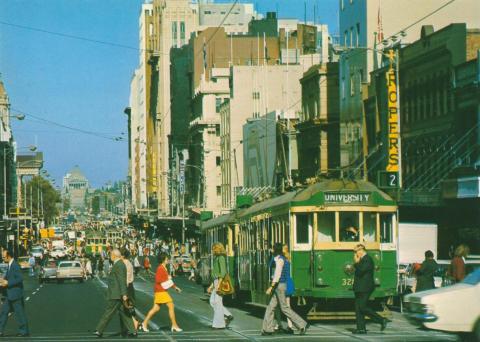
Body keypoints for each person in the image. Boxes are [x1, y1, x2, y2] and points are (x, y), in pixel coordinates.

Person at [261, 243, 307, 336]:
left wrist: (271, 287)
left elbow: (277, 275)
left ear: (275, 250)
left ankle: (301, 325)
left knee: (284, 308)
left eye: (273, 249)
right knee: (270, 307)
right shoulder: (278, 259)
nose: (271, 251)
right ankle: (267, 329)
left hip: (280, 286)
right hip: (278, 286)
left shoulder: (280, 260)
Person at [93, 249, 136, 338]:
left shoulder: (119, 265)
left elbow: (121, 280)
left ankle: (99, 330)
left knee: (109, 312)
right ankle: (133, 331)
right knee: (125, 313)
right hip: (118, 293)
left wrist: (124, 294)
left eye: (111, 254)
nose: (110, 256)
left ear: (114, 255)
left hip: (117, 294)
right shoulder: (118, 264)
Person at [141, 252, 182, 333]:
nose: (168, 260)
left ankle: (144, 323)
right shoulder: (160, 268)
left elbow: (167, 280)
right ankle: (174, 325)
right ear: (163, 260)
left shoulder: (164, 267)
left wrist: (174, 287)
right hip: (160, 291)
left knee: (156, 308)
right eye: (167, 259)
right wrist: (168, 279)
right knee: (171, 305)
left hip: (160, 290)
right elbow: (158, 280)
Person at [352, 244, 388, 334]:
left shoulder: (367, 259)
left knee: (362, 307)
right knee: (358, 309)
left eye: (356, 252)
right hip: (359, 288)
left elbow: (361, 271)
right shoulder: (362, 260)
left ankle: (382, 320)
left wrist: (356, 263)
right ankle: (361, 329)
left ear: (361, 250)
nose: (355, 254)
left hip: (365, 287)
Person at [0, 248, 30, 337]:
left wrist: (8, 282)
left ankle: (24, 331)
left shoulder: (15, 265)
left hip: (15, 294)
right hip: (9, 294)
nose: (3, 258)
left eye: (4, 257)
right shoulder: (10, 265)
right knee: (4, 312)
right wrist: (3, 281)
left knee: (19, 313)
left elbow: (20, 278)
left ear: (9, 256)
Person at [208, 242, 234, 329]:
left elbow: (222, 272)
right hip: (216, 281)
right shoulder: (217, 258)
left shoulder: (221, 258)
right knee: (213, 302)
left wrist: (218, 284)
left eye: (213, 249)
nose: (212, 251)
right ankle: (227, 315)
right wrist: (211, 286)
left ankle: (218, 324)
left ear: (217, 249)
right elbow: (216, 273)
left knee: (218, 302)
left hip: (219, 282)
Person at [121, 248, 139, 331]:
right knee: (129, 306)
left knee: (126, 306)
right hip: (129, 287)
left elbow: (127, 278)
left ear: (123, 255)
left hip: (127, 287)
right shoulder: (128, 263)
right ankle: (131, 325)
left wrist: (124, 292)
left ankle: (134, 323)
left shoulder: (125, 263)